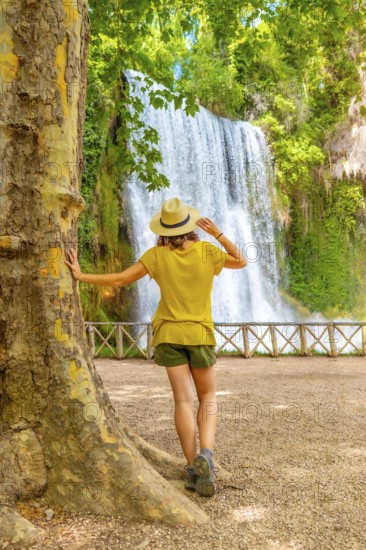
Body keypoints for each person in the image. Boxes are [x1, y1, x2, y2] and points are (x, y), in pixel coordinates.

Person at [64, 197, 247, 497]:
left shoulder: (157, 255)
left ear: (164, 229)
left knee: (183, 402)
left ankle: (193, 468)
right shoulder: (207, 252)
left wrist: (81, 275)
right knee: (208, 396)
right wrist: (218, 234)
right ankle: (208, 455)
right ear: (190, 226)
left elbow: (122, 279)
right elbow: (241, 261)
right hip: (200, 334)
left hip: (168, 335)